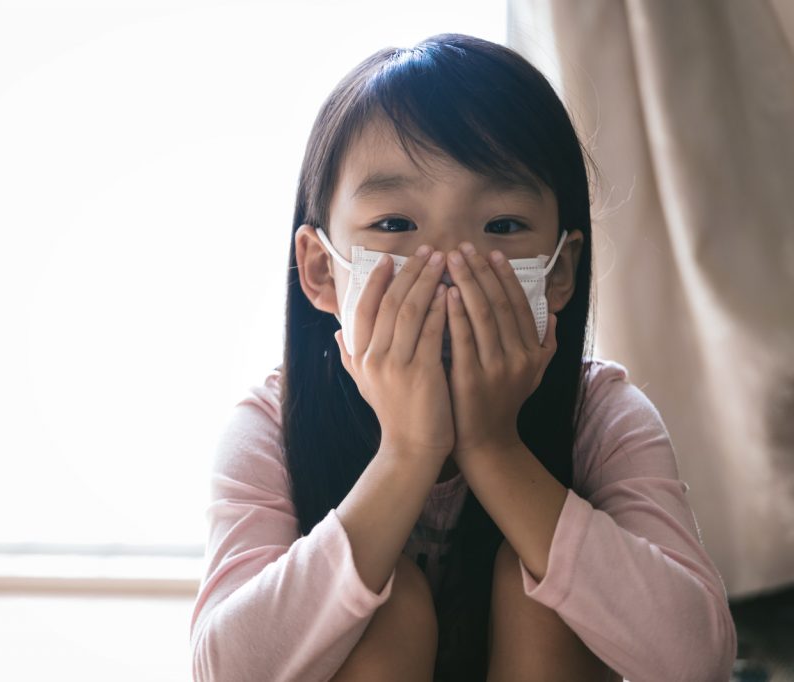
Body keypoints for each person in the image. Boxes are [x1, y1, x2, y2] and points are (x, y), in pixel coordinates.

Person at [188, 33, 737, 682]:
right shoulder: (269, 427)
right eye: (395, 225)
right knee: (385, 608)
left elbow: (695, 659)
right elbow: (226, 670)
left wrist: (494, 448)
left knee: (540, 594)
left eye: (501, 227)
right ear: (320, 271)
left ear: (560, 272)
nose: (447, 266)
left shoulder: (602, 415)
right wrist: (407, 454)